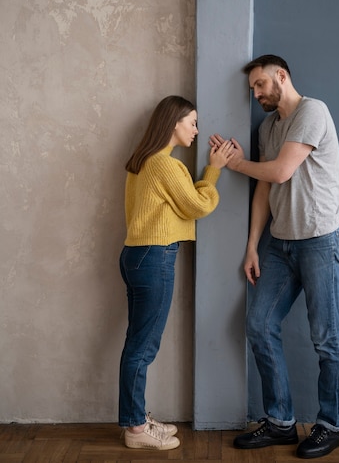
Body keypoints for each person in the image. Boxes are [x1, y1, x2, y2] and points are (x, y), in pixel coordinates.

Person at [210, 55, 339, 459]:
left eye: (259, 85)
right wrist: (253, 245)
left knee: (325, 338)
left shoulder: (312, 111)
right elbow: (265, 191)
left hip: (320, 241)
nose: (255, 95)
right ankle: (281, 422)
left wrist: (235, 163)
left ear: (280, 77)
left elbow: (282, 171)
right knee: (258, 324)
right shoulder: (268, 127)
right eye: (252, 89)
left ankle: (330, 425)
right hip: (281, 244)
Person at [119, 95, 234, 451]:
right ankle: (136, 429)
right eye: (193, 122)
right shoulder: (164, 165)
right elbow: (198, 206)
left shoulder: (143, 161)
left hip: (138, 256)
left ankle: (136, 418)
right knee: (143, 347)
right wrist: (213, 169)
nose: (197, 130)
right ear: (174, 123)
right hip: (154, 257)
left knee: (137, 344)